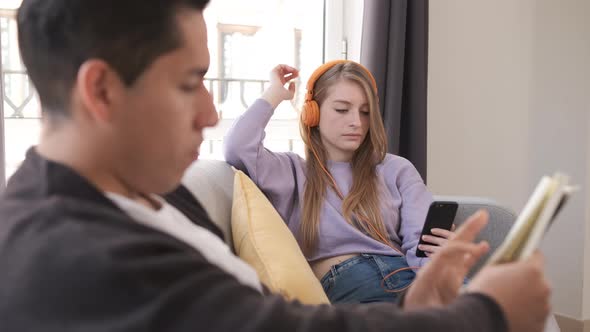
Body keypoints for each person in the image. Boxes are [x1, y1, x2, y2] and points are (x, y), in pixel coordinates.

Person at [0, 0, 551, 331]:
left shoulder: (141, 195)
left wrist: (421, 302)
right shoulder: (78, 258)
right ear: (101, 90)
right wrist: (486, 315)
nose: (210, 112)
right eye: (190, 83)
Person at [223, 61, 454, 303]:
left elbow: (421, 243)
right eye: (342, 110)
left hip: (410, 274)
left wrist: (438, 275)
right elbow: (237, 147)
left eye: (365, 112)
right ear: (313, 113)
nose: (357, 122)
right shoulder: (291, 172)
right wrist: (274, 93)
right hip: (354, 280)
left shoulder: (397, 169)